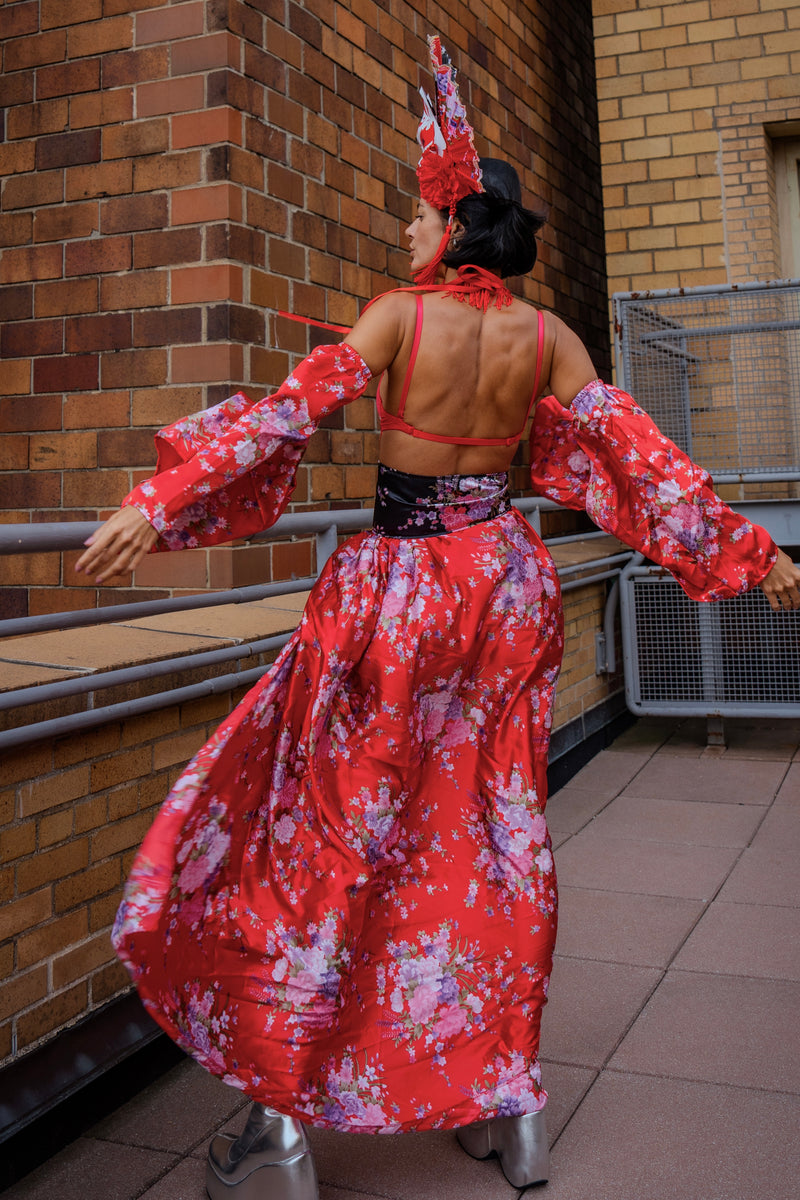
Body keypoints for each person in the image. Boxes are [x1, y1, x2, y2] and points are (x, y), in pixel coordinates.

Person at [76, 37, 800, 1200]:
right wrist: (752, 552)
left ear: (454, 226)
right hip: (503, 586)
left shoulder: (396, 320)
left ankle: (282, 1131)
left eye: (417, 219)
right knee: (494, 836)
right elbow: (646, 464)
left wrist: (155, 503)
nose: (405, 236)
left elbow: (278, 420)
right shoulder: (549, 336)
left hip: (400, 596)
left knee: (328, 835)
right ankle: (507, 1110)